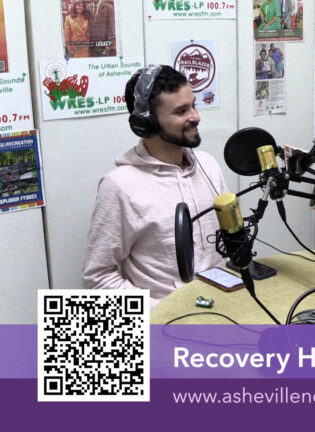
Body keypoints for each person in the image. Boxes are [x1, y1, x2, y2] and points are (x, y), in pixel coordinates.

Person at [83, 65, 228, 307]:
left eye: (193, 105)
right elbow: (97, 278)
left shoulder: (208, 165)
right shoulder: (119, 186)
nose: (195, 116)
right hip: (167, 327)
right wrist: (160, 312)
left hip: (225, 309)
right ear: (146, 124)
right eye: (181, 111)